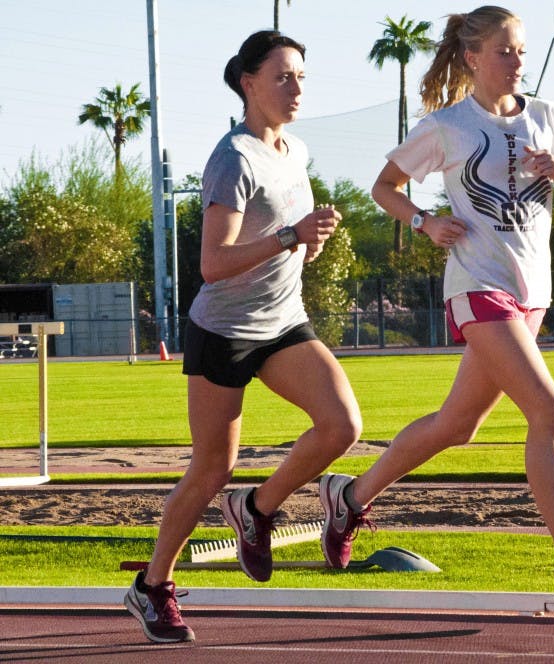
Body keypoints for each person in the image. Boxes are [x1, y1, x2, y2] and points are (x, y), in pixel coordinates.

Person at [318, 5, 554, 605]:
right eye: (505, 51)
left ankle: (350, 497)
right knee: (549, 412)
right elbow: (383, 187)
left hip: (531, 293)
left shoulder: (547, 118)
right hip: (476, 284)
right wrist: (423, 222)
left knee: (456, 426)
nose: (517, 61)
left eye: (520, 50)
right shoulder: (448, 126)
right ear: (472, 58)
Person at [125, 30, 362, 643]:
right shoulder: (232, 158)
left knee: (342, 426)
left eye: (301, 77)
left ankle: (256, 510)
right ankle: (153, 586)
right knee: (210, 470)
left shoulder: (293, 150)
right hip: (223, 332)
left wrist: (310, 241)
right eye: (283, 77)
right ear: (248, 83)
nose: (296, 88)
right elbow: (214, 262)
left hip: (282, 321)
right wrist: (289, 236)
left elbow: (285, 239)